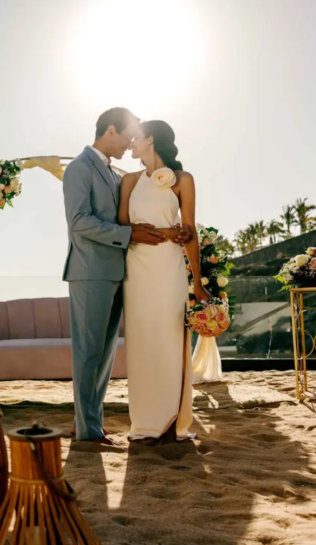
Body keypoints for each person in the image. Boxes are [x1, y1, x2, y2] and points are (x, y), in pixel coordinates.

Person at [62, 108, 192, 444]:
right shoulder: (79, 168)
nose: (129, 143)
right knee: (88, 352)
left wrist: (165, 233)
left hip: (119, 273)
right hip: (90, 272)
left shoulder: (114, 173)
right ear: (109, 130)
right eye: (126, 136)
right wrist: (128, 234)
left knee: (103, 355)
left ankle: (90, 423)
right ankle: (87, 429)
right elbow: (78, 221)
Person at [118, 120, 207, 443]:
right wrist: (167, 232)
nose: (130, 143)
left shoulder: (183, 180)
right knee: (142, 344)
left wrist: (197, 283)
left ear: (151, 139)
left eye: (136, 138)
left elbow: (190, 233)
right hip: (137, 271)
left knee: (171, 340)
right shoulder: (128, 181)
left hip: (170, 270)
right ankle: (144, 423)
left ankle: (172, 421)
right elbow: (124, 229)